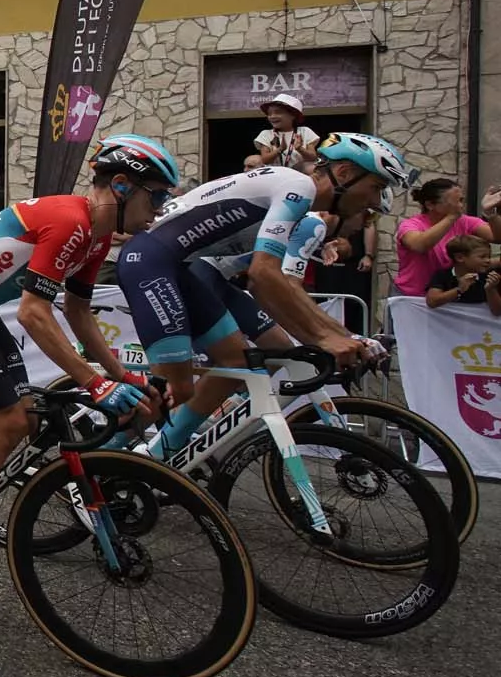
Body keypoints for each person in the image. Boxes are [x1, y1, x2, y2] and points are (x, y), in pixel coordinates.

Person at [0, 135, 174, 591]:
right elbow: (34, 312)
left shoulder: (95, 238)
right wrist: (95, 383)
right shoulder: (70, 220)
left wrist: (123, 375)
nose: (159, 209)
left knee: (28, 417)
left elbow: (77, 313)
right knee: (11, 419)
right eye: (156, 195)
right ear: (121, 186)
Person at [116, 133, 414, 458]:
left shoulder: (301, 202)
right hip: (151, 262)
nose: (374, 201)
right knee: (175, 388)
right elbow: (264, 276)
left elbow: (274, 281)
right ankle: (101, 454)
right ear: (343, 173)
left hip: (183, 268)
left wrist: (340, 336)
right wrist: (325, 339)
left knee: (241, 361)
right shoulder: (298, 190)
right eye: (375, 186)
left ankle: (158, 456)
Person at [394, 179, 501, 296]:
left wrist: (491, 213)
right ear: (430, 205)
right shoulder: (411, 225)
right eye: (455, 202)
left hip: (448, 296)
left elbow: (497, 237)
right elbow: (420, 245)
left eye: (461, 200)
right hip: (412, 297)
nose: (460, 206)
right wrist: (452, 217)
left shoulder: (465, 221)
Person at [426, 235, 501, 315]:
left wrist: (490, 289)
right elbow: (432, 302)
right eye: (482, 257)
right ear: (460, 258)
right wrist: (459, 289)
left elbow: (497, 312)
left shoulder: (489, 277)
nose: (488, 260)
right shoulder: (442, 275)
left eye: (489, 256)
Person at [253, 93, 320, 167]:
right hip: (276, 176)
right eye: (269, 114)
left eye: (278, 112)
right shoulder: (266, 134)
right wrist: (280, 149)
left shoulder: (305, 131)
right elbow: (265, 160)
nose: (272, 116)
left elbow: (313, 158)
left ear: (293, 115)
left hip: (300, 175)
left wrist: (300, 149)